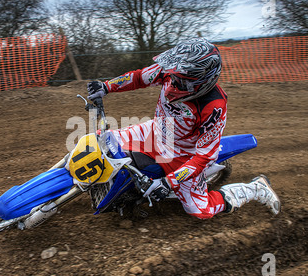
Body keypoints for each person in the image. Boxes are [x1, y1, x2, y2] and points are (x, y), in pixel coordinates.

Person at [87, 38, 281, 219]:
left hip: (182, 154)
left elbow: (203, 156)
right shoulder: (172, 72)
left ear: (202, 80)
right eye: (175, 75)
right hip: (156, 131)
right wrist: (106, 86)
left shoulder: (214, 106)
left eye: (182, 79)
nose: (173, 82)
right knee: (100, 140)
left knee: (199, 209)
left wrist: (168, 182)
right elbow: (139, 77)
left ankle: (255, 188)